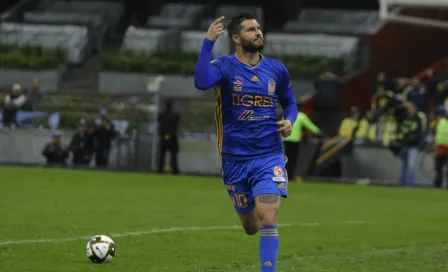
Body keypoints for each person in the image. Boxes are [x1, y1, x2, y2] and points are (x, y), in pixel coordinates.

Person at [194, 14, 298, 271]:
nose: (258, 32)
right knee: (252, 227)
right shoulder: (224, 66)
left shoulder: (276, 68)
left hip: (269, 154)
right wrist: (207, 42)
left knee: (269, 216)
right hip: (235, 158)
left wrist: (290, 120)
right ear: (236, 38)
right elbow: (201, 81)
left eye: (259, 28)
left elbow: (290, 103)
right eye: (251, 30)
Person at [283, 107, 321, 181]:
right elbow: (310, 126)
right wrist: (319, 132)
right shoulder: (300, 116)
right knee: (293, 159)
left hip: (285, 139)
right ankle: (291, 176)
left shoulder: (286, 115)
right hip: (294, 141)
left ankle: (285, 175)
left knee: (286, 158)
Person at [157, 99, 181, 174]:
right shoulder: (175, 116)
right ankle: (175, 169)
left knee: (162, 155)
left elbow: (159, 122)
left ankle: (160, 169)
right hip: (173, 138)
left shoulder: (162, 116)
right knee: (173, 155)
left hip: (164, 137)